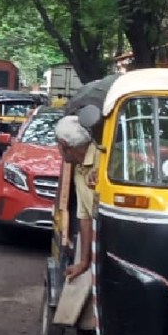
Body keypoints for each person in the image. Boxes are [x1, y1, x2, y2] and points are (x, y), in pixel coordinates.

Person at [55, 115, 99, 281]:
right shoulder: (79, 168)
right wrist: (84, 262)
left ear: (65, 145)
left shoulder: (103, 159)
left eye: (57, 143)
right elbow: (85, 216)